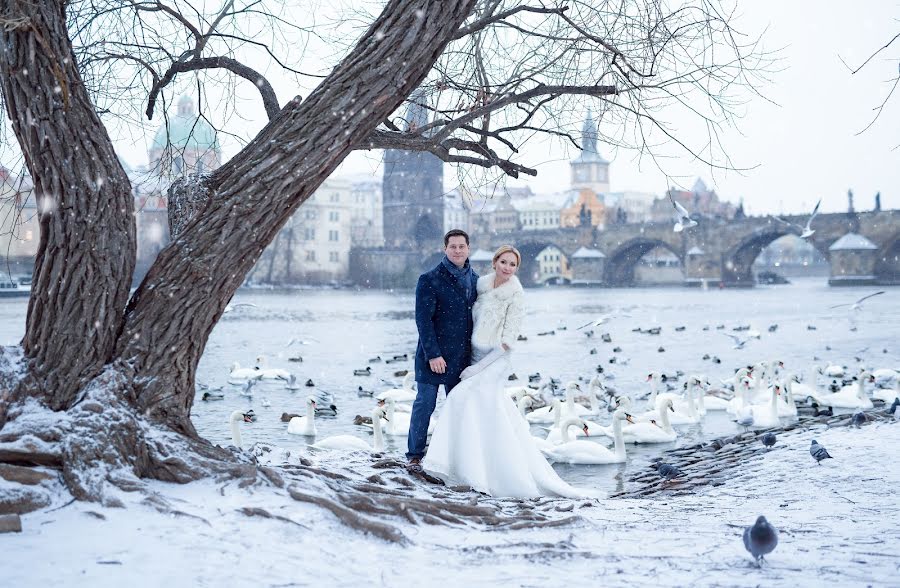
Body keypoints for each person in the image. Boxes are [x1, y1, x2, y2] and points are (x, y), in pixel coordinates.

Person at [422, 245, 598, 498]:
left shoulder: (516, 295)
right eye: (503, 262)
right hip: (475, 355)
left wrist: (478, 368)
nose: (507, 267)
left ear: (516, 269)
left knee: (460, 397)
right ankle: (474, 466)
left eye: (512, 264)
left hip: (496, 360)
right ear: (494, 263)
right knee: (487, 411)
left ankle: (477, 473)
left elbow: (508, 341)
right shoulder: (480, 286)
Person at [407, 229, 479, 469]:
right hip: (433, 356)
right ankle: (415, 454)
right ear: (445, 249)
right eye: (453, 247)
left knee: (457, 408)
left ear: (468, 248)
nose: (457, 251)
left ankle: (453, 454)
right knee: (424, 405)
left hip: (461, 356)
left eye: (461, 246)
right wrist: (433, 354)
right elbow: (423, 320)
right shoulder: (429, 279)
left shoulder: (476, 280)